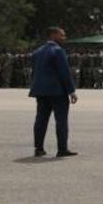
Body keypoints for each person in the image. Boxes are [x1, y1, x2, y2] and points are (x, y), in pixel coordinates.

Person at [29, 27, 78, 158]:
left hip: (41, 91)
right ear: (53, 35)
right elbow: (64, 73)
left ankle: (38, 149)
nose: (64, 38)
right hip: (57, 92)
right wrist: (71, 91)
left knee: (40, 120)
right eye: (62, 35)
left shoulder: (37, 52)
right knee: (61, 120)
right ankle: (62, 149)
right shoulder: (58, 51)